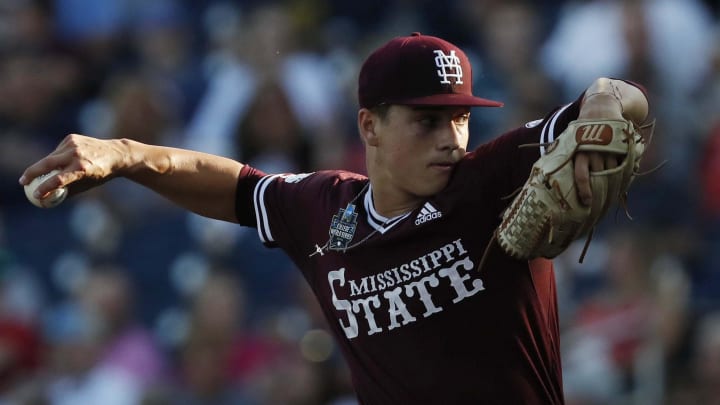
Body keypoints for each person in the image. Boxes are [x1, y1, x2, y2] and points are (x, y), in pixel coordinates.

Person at [20, 33, 650, 404]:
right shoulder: (326, 212)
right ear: (368, 126)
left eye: (459, 117)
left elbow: (626, 98)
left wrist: (601, 100)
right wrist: (126, 155)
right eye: (427, 120)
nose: (451, 138)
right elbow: (236, 187)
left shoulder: (489, 179)